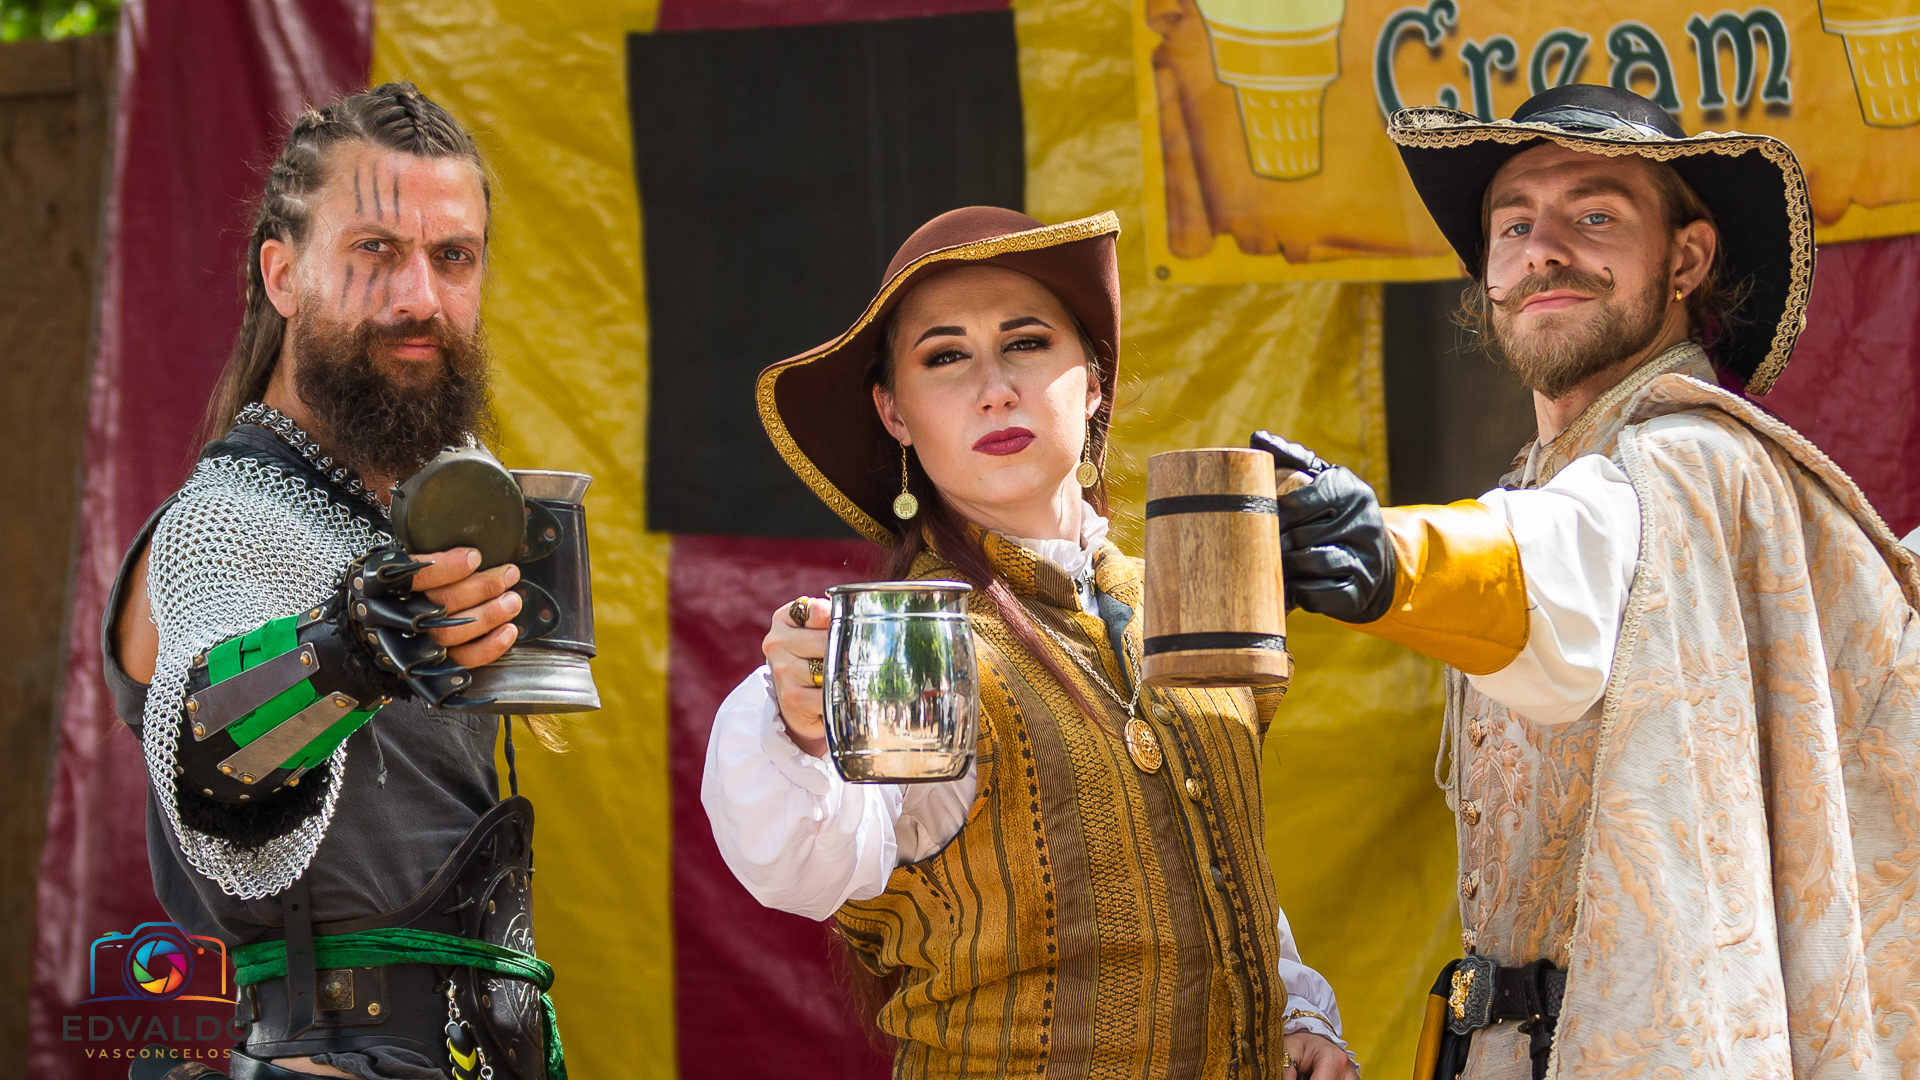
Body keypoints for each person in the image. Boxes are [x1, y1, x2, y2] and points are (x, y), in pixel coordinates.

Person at [1253, 84, 1920, 1078]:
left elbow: (1565, 559)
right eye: (1513, 226)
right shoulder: (1546, 480)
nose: (1543, 250)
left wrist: (1388, 556)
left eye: (1595, 215)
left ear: (1686, 260)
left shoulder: (1695, 461)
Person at [702, 206, 1358, 1079]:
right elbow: (809, 864)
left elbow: (1218, 857)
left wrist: (1293, 1012)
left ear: (1092, 383)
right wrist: (795, 725)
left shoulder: (1181, 597)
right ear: (894, 413)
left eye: (1026, 343)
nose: (995, 389)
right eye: (946, 357)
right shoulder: (910, 643)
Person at [110, 84, 565, 1080]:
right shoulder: (221, 522)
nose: (420, 298)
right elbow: (209, 754)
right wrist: (355, 648)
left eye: (454, 257)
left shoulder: (409, 521)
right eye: (375, 251)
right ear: (283, 275)